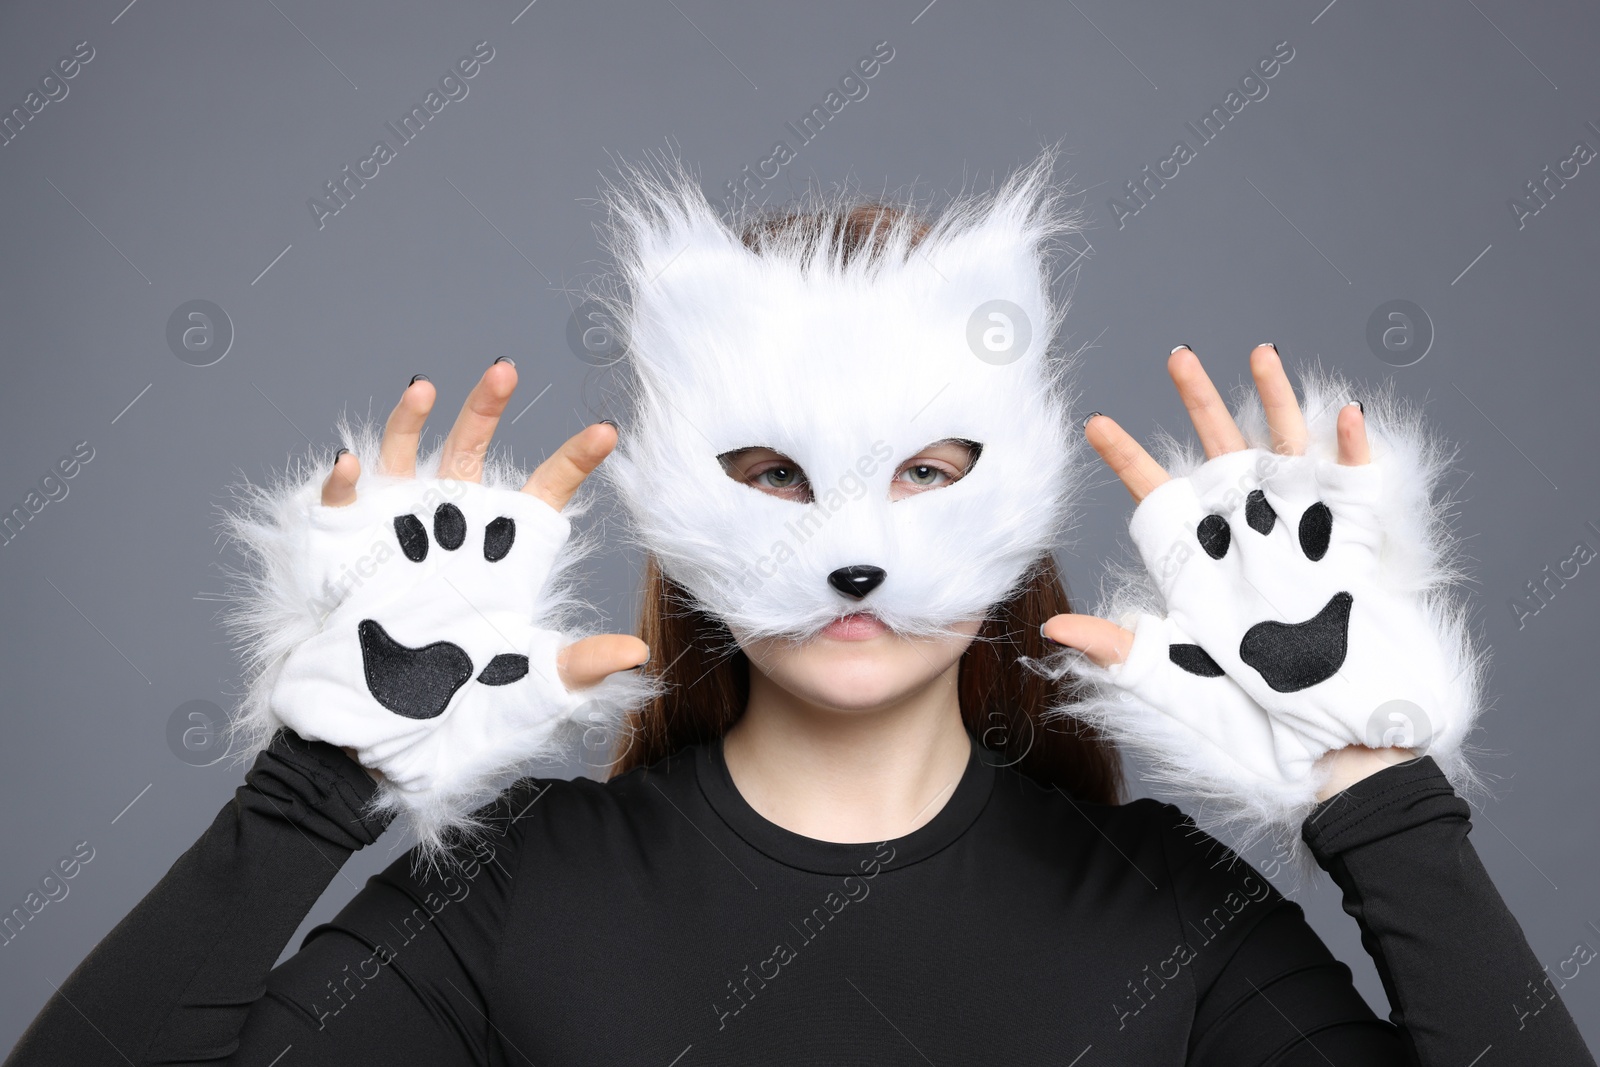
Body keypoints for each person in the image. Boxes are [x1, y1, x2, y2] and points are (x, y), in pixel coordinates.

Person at [7, 157, 1591, 1065]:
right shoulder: (522, 891)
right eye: (770, 472)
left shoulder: (1157, 906)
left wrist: (1369, 776)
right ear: (678, 513)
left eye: (929, 472)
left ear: (1021, 490)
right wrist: (327, 765)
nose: (854, 548)